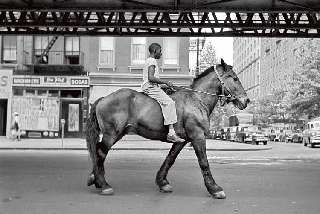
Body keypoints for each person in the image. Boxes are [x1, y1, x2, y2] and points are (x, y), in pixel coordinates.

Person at [141, 43, 184, 143]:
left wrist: (167, 86)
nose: (161, 53)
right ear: (155, 50)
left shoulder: (150, 60)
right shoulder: (152, 61)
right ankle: (171, 133)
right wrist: (166, 82)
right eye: (160, 51)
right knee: (169, 103)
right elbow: (151, 78)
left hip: (151, 86)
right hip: (150, 86)